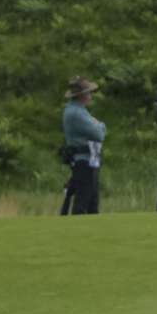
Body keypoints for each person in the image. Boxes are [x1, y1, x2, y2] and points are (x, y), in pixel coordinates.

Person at [60, 76, 106, 216]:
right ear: (82, 95)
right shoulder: (77, 113)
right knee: (84, 201)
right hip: (84, 161)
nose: (90, 95)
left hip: (88, 159)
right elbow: (99, 134)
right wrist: (101, 125)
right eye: (88, 92)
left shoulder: (77, 110)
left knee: (91, 201)